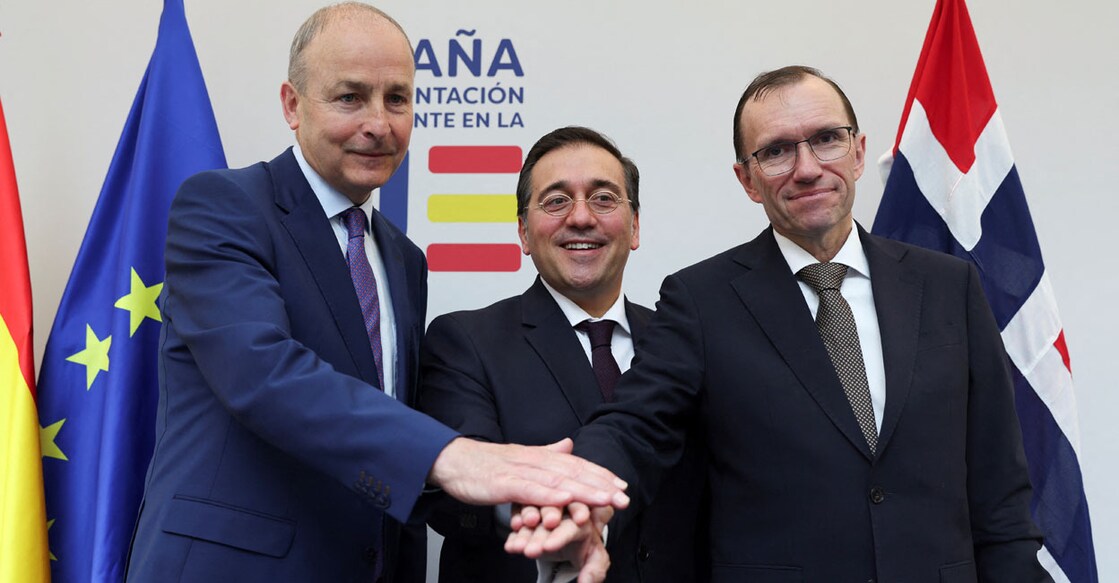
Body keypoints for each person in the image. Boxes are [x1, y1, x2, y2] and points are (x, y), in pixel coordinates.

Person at [124, 5, 627, 583]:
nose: (379, 123)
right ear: (292, 105)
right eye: (349, 97)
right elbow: (261, 374)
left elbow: (391, 434)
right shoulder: (223, 206)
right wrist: (456, 456)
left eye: (397, 98)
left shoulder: (401, 257)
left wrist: (534, 515)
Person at [511, 66, 1050, 582]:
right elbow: (635, 424)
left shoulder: (949, 287)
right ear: (746, 179)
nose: (808, 167)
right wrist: (573, 494)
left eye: (826, 139)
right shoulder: (701, 299)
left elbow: (998, 488)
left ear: (859, 153)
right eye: (776, 152)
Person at [418, 127, 705, 582]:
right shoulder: (465, 341)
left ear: (634, 226)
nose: (581, 218)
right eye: (556, 201)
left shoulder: (686, 340)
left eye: (604, 198)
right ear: (523, 232)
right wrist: (541, 517)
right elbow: (453, 500)